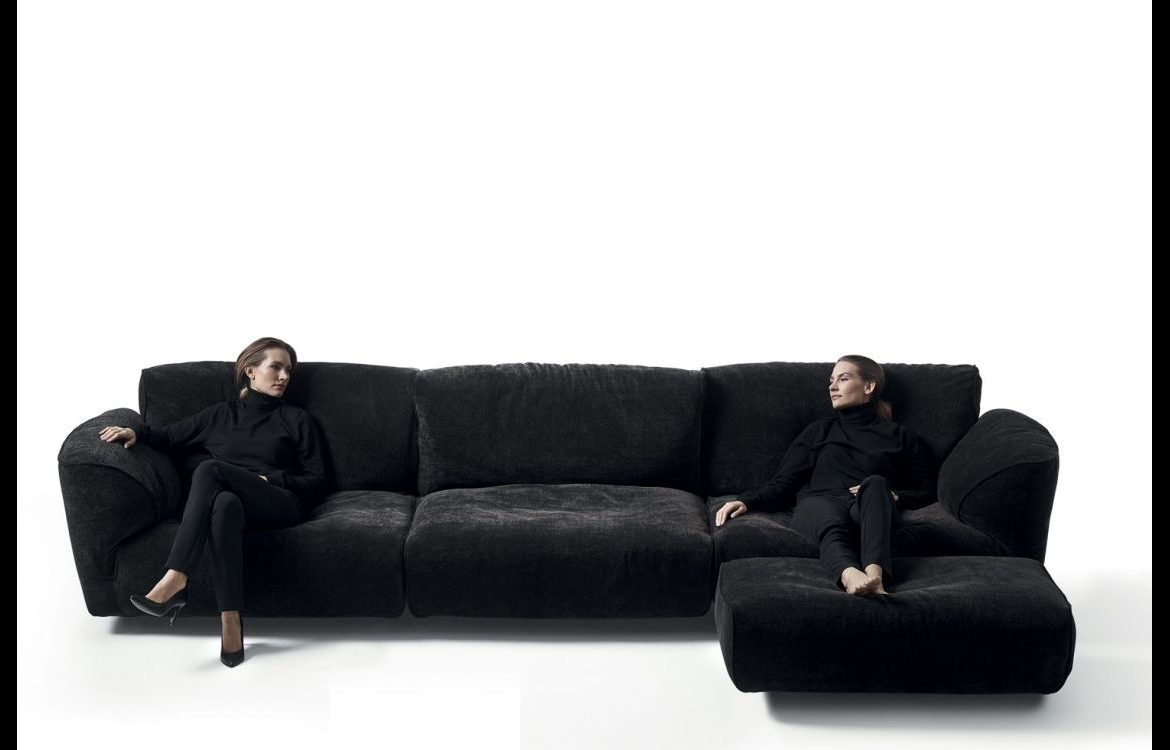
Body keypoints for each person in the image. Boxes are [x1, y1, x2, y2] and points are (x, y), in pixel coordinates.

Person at [99, 337, 328, 666]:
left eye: (288, 370)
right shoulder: (220, 415)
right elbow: (168, 436)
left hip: (280, 503)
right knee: (224, 504)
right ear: (250, 370)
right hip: (234, 504)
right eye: (275, 367)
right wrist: (136, 432)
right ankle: (230, 621)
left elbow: (318, 482)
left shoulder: (297, 420)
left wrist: (271, 480)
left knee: (209, 469)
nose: (284, 376)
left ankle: (177, 577)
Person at [714, 355, 935, 596]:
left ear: (869, 386)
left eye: (843, 379)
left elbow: (927, 488)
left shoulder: (899, 436)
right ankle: (850, 575)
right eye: (831, 381)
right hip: (819, 505)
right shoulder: (819, 431)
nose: (832, 387)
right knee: (827, 516)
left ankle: (875, 575)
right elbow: (784, 482)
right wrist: (747, 501)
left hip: (868, 507)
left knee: (875, 483)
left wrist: (896, 497)